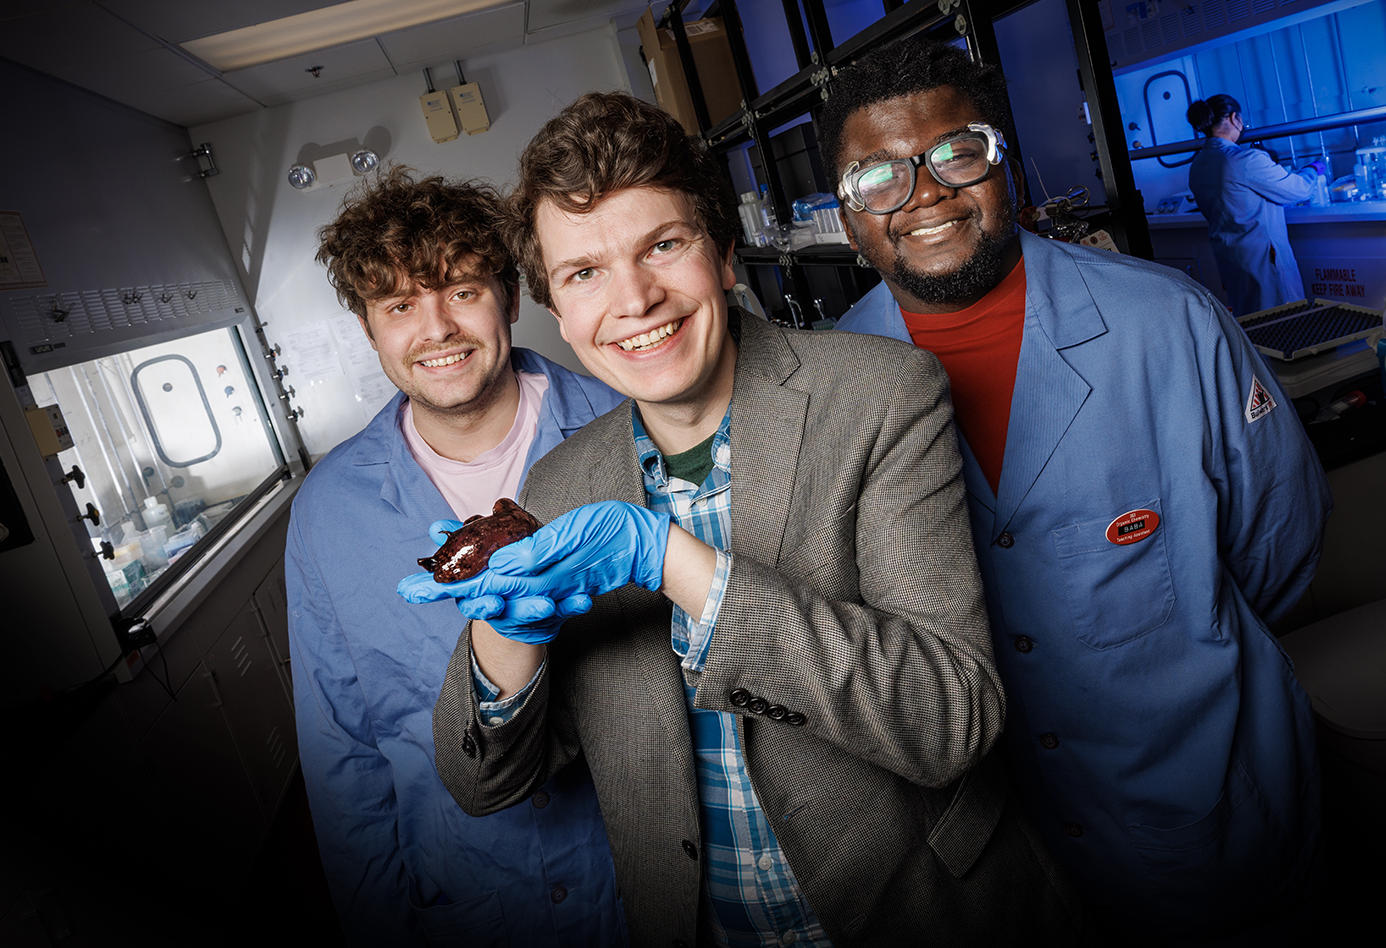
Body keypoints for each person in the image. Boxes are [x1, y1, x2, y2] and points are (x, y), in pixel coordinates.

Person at [399, 92, 1084, 947]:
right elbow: (483, 783)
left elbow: (951, 720)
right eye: (584, 273)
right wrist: (509, 640)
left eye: (663, 245)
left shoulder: (879, 397)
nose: (635, 299)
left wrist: (670, 559)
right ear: (557, 310)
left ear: (723, 254)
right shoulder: (561, 479)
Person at [826, 38, 1333, 943]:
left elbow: (1280, 542)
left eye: (956, 152)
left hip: (1200, 815)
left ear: (1004, 162)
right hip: (1005, 862)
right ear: (846, 215)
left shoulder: (1166, 320)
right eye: (877, 177)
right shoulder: (828, 384)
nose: (924, 195)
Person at [287, 166, 627, 947]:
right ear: (370, 328)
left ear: (509, 298)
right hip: (470, 900)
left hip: (645, 877)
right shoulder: (327, 512)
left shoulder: (628, 428)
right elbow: (343, 752)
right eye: (400, 304)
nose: (435, 327)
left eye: (463, 289)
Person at [1185, 93, 1326, 315]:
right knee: (1286, 321)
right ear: (1234, 118)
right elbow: (1298, 189)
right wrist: (1313, 169)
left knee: (1251, 324)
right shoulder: (1245, 159)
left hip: (1232, 260)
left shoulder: (1197, 165)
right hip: (1265, 260)